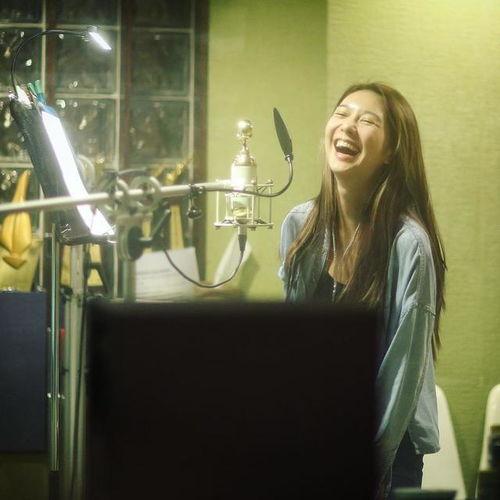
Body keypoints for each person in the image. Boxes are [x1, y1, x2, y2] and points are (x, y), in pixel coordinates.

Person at [278, 82, 446, 498]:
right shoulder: (300, 226)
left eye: (368, 120)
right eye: (342, 113)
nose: (348, 125)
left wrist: (369, 464)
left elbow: (403, 372)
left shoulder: (409, 245)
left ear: (391, 152)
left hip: (388, 448)